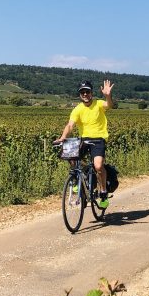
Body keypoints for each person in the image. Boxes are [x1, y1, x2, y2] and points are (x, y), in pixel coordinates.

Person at [55, 79, 114, 208]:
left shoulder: (99, 104)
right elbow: (70, 125)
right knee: (70, 157)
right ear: (80, 95)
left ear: (91, 92)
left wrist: (108, 95)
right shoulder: (77, 109)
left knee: (98, 166)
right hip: (84, 140)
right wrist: (62, 138)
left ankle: (103, 192)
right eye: (82, 92)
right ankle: (80, 178)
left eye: (87, 91)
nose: (85, 94)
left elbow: (109, 105)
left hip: (98, 139)